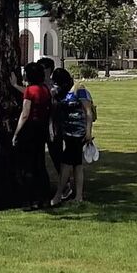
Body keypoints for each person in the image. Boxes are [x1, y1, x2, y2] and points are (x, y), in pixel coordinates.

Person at [48, 67, 94, 205]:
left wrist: (88, 131)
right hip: (67, 132)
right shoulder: (61, 93)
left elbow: (88, 111)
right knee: (77, 164)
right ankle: (78, 195)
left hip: (78, 132)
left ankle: (59, 194)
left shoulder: (78, 89)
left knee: (66, 164)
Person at [12, 60, 54, 207]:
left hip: (30, 128)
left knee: (29, 165)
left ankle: (31, 199)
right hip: (42, 128)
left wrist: (16, 133)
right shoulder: (45, 89)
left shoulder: (30, 90)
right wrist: (17, 86)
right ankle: (45, 197)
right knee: (40, 163)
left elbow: (25, 113)